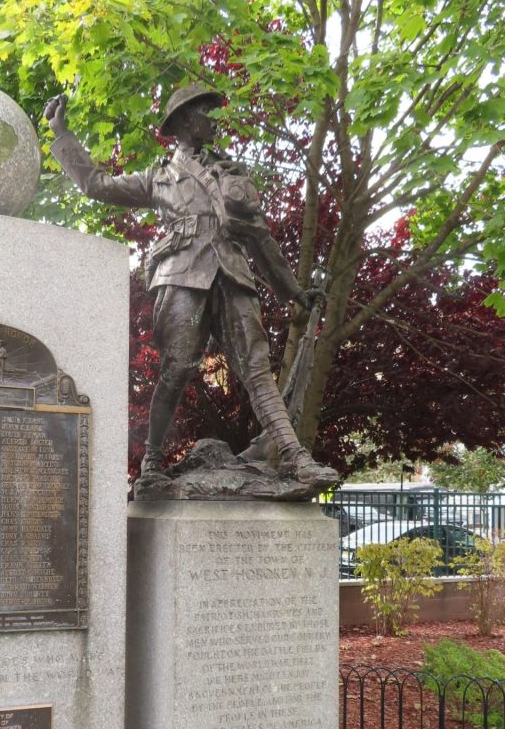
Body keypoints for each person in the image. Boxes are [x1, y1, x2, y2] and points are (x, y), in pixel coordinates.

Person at [44, 83, 336, 486]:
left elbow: (261, 238)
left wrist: (294, 293)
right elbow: (98, 186)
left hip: (232, 273)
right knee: (176, 369)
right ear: (183, 121)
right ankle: (153, 460)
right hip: (182, 275)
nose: (214, 119)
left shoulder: (232, 174)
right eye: (205, 111)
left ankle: (294, 456)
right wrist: (62, 135)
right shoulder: (158, 177)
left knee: (256, 368)